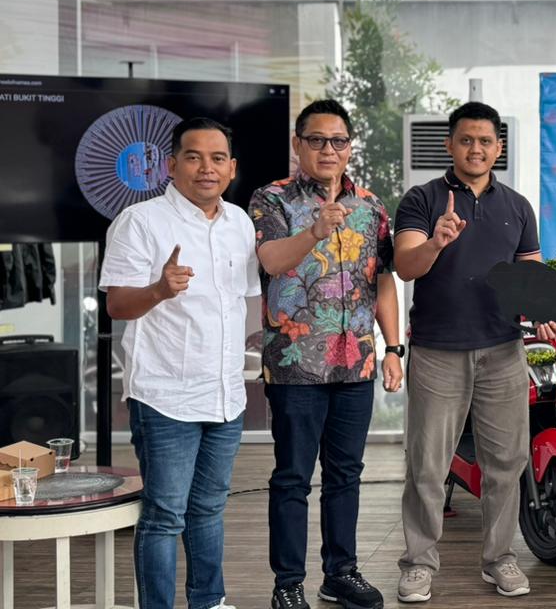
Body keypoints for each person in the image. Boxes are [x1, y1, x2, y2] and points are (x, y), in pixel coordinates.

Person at [393, 101, 556, 602]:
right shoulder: (422, 199)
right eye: (466, 139)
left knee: (506, 461)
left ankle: (500, 559)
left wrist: (542, 308)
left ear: (498, 148)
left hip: (503, 350)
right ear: (450, 144)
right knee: (427, 464)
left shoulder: (518, 206)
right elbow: (406, 266)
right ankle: (418, 564)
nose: (476, 149)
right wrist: (436, 242)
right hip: (437, 351)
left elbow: (529, 273)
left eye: (485, 141)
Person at [249, 99, 403, 609]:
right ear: (298, 144)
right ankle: (287, 583)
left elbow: (382, 281)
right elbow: (271, 261)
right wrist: (314, 230)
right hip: (295, 364)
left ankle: (341, 573)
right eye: (316, 140)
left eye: (338, 141)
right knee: (293, 477)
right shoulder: (271, 199)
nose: (328, 150)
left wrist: (393, 347)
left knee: (346, 475)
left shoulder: (371, 206)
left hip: (356, 362)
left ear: (350, 147)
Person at [100, 117, 259, 609]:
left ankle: (209, 601)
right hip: (165, 396)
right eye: (193, 157)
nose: (206, 168)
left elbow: (241, 300)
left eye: (217, 158)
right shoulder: (140, 221)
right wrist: (158, 289)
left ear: (232, 168)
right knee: (165, 515)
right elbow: (117, 305)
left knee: (209, 508)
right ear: (171, 165)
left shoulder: (240, 223)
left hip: (226, 394)